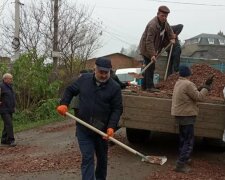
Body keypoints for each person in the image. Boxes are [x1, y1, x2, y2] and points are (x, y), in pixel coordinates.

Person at [57, 57, 123, 180]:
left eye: (106, 72)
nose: (103, 75)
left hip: (102, 130)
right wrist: (64, 103)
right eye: (101, 72)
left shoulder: (114, 88)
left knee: (102, 159)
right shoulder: (84, 80)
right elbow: (70, 90)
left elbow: (117, 109)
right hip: (84, 127)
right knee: (87, 158)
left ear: (110, 71)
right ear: (95, 69)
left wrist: (111, 127)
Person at [171, 65, 213, 173]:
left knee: (183, 138)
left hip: (179, 114)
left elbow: (191, 93)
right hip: (187, 115)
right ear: (188, 73)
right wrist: (206, 87)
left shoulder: (179, 82)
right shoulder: (188, 84)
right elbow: (199, 97)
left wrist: (201, 87)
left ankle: (184, 157)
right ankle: (180, 164)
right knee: (188, 141)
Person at [139, 5, 175, 92]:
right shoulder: (153, 25)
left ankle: (144, 86)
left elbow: (169, 30)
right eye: (162, 16)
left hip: (154, 48)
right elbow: (149, 41)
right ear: (158, 14)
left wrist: (172, 37)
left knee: (149, 67)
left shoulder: (164, 22)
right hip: (146, 48)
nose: (164, 18)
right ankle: (150, 87)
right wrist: (152, 55)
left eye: (166, 16)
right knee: (151, 67)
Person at [0, 73, 16, 147]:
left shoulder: (10, 86)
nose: (11, 80)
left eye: (11, 78)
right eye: (10, 79)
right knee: (9, 124)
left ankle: (3, 140)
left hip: (10, 108)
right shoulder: (1, 86)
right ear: (5, 79)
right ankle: (11, 140)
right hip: (3, 109)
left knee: (7, 125)